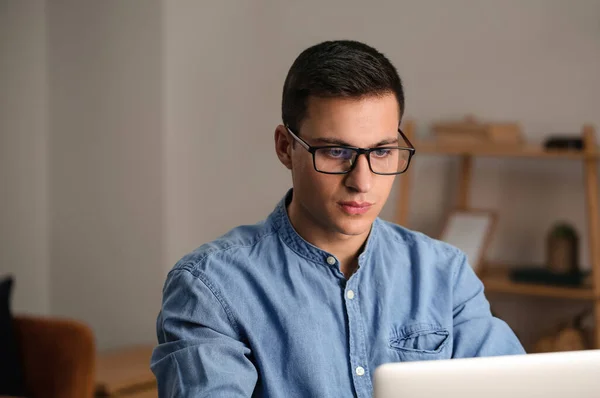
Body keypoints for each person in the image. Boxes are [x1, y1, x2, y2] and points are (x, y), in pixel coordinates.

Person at [150, 40, 524, 397]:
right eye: (335, 151)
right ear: (285, 147)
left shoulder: (445, 273)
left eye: (381, 152)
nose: (362, 182)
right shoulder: (211, 288)